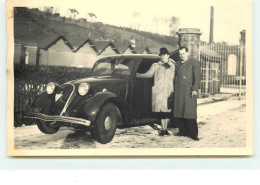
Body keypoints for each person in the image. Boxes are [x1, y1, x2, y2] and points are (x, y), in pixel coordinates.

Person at [137, 47, 175, 136]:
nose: (163, 57)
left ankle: (165, 129)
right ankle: (163, 129)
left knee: (167, 111)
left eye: (165, 55)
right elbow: (148, 74)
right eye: (161, 55)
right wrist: (139, 75)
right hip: (158, 91)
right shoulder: (155, 65)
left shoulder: (173, 66)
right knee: (161, 112)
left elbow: (177, 77)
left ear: (168, 56)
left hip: (168, 91)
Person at [173, 46, 201, 141]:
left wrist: (195, 89)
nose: (182, 55)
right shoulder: (177, 64)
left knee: (189, 112)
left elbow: (197, 78)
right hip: (179, 91)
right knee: (179, 112)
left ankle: (193, 133)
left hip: (189, 91)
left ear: (187, 53)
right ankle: (182, 131)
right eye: (180, 54)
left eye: (183, 53)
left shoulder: (193, 63)